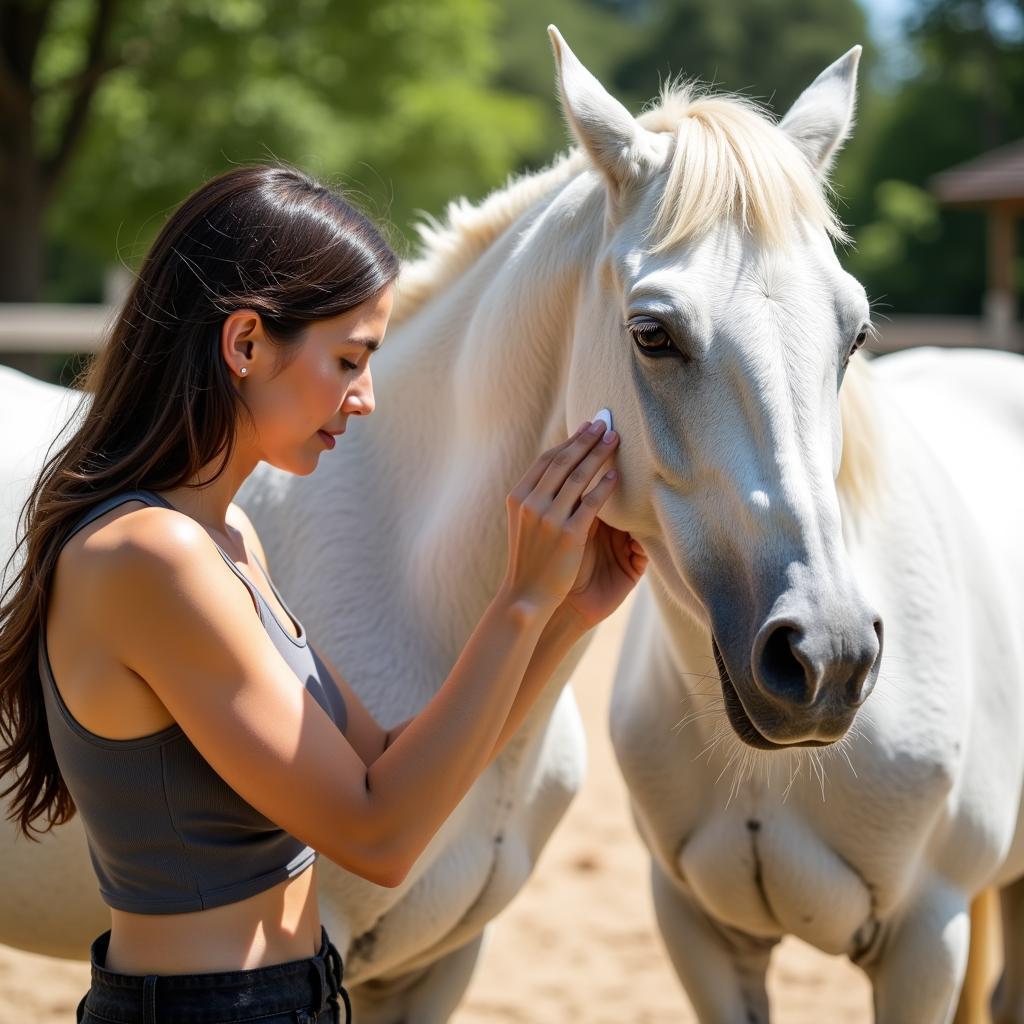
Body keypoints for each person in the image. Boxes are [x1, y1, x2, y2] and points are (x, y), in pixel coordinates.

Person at [0, 163, 648, 1023]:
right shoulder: (151, 557)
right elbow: (378, 836)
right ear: (244, 345)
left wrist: (567, 615)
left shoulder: (223, 540)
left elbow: (383, 759)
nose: (366, 397)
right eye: (349, 357)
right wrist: (518, 603)